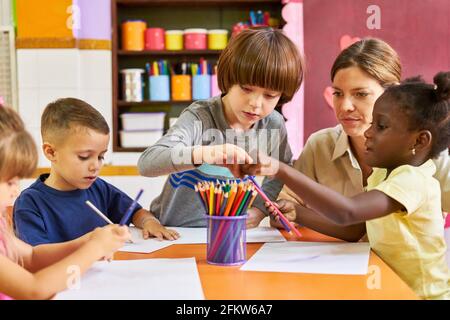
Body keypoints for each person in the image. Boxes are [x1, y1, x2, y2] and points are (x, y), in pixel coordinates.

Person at [239, 72, 450, 300]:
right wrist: (298, 213)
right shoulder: (384, 174)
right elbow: (355, 229)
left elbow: (348, 212)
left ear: (419, 141)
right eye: (372, 124)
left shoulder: (413, 180)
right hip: (388, 288)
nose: (368, 133)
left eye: (381, 126)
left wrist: (281, 169)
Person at [274, 38, 449, 241]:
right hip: (334, 266)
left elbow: (348, 213)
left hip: (404, 273)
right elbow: (289, 204)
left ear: (393, 94)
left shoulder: (425, 151)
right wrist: (283, 213)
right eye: (338, 93)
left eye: (361, 94)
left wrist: (277, 168)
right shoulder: (320, 145)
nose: (345, 106)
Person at [137, 28, 304, 227]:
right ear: (228, 79)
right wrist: (207, 154)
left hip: (229, 231)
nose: (256, 103)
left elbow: (280, 171)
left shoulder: (273, 124)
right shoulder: (199, 116)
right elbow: (147, 164)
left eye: (270, 95)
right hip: (174, 230)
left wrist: (259, 210)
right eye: (246, 88)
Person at [0, 106, 131, 300]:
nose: (16, 190)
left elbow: (32, 257)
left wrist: (90, 239)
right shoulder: (30, 200)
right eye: (10, 182)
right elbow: (34, 290)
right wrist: (94, 248)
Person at [14, 98, 179, 245]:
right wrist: (92, 245)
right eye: (84, 157)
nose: (95, 166)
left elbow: (136, 212)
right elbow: (35, 258)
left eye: (101, 156)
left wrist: (150, 222)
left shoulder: (99, 188)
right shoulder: (30, 203)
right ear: (51, 152)